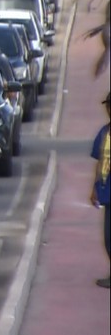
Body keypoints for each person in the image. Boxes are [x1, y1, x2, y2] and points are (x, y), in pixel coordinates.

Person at [90, 92, 111, 289]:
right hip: (107, 192)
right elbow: (99, 163)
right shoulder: (104, 133)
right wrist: (95, 188)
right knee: (108, 236)